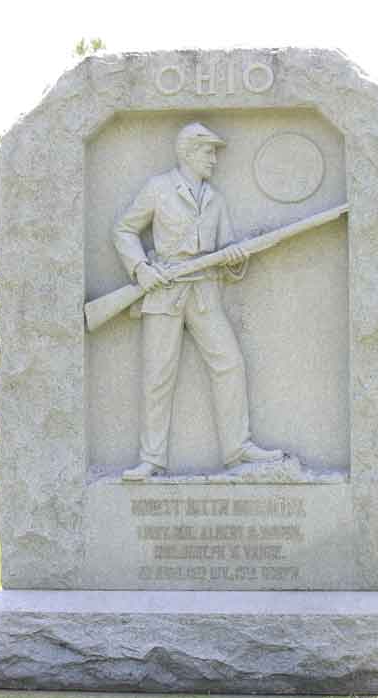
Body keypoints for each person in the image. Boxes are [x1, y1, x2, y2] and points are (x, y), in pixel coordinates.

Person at [114, 122, 282, 480]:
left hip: (205, 293)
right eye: (208, 152)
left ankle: (237, 449)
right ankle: (151, 459)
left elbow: (226, 256)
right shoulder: (158, 189)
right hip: (164, 291)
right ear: (188, 152)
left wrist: (236, 260)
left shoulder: (215, 199)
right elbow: (125, 229)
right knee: (158, 375)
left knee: (230, 364)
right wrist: (141, 269)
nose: (214, 160)